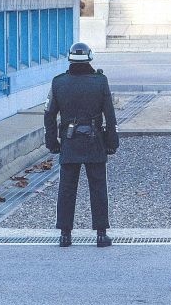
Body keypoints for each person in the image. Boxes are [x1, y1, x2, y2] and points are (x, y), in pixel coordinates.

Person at [44, 42, 119, 247]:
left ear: (70, 59)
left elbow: (49, 115)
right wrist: (112, 143)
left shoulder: (58, 83)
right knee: (98, 188)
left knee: (67, 188)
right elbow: (110, 117)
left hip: (69, 141)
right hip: (94, 140)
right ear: (89, 59)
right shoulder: (100, 82)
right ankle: (101, 234)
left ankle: (65, 234)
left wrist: (52, 143)